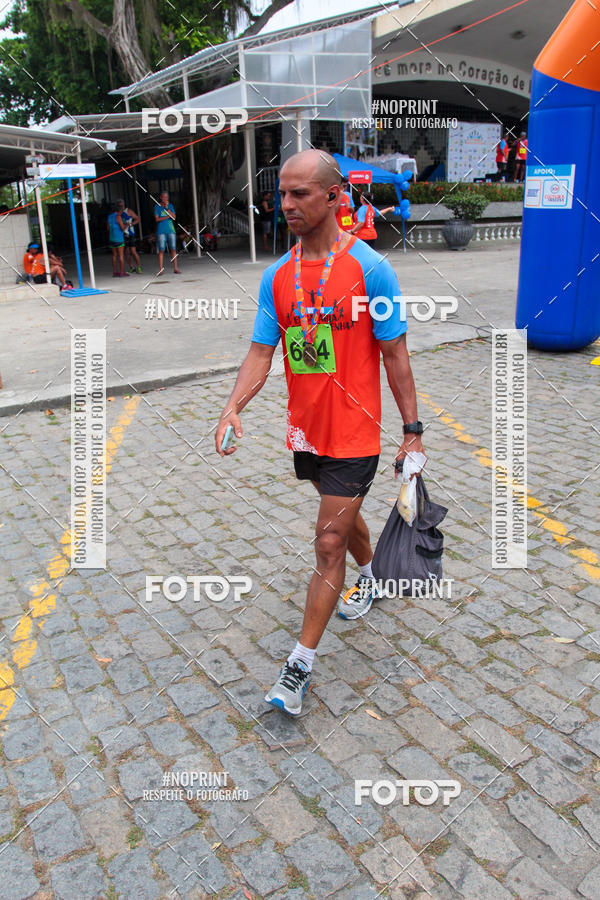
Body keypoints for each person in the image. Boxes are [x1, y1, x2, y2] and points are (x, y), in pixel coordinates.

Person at [215, 149, 425, 716]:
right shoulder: (276, 277)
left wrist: (412, 430)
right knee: (345, 516)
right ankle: (376, 573)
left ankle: (298, 666)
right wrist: (234, 405)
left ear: (334, 196)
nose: (286, 204)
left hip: (357, 432)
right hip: (306, 434)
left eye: (299, 193)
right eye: (281, 194)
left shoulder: (371, 270)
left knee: (328, 537)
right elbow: (262, 352)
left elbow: (396, 354)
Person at [154, 191, 181, 275]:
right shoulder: (157, 207)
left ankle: (175, 268)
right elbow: (157, 219)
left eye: (167, 197)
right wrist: (167, 216)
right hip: (161, 231)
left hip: (171, 230)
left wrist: (167, 209)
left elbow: (174, 217)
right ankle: (161, 269)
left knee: (173, 248)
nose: (165, 199)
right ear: (161, 198)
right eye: (164, 197)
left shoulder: (170, 206)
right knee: (161, 249)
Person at [116, 199, 142, 273]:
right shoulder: (118, 213)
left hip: (131, 233)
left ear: (124, 204)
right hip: (123, 234)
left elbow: (137, 219)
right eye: (119, 205)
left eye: (121, 205)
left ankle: (139, 266)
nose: (120, 206)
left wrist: (131, 224)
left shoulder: (129, 211)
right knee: (126, 252)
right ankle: (131, 267)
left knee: (133, 251)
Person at [107, 203, 129, 278]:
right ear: (120, 211)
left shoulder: (109, 217)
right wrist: (127, 225)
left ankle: (115, 272)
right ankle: (122, 272)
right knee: (121, 255)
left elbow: (108, 228)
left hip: (111, 238)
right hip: (119, 238)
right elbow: (122, 228)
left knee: (114, 255)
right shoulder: (118, 217)